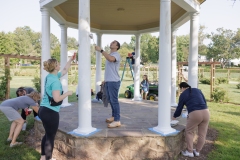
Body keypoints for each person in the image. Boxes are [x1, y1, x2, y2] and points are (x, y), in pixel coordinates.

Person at [39, 55, 74, 160]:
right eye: (58, 63)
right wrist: (67, 93)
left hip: (43, 110)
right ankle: (48, 159)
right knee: (50, 138)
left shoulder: (50, 76)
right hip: (50, 112)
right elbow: (57, 99)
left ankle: (43, 157)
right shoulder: (55, 81)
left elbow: (64, 70)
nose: (60, 65)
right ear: (55, 67)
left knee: (47, 134)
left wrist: (70, 60)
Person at [172, 82, 210, 157]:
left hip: (195, 113)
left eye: (180, 89)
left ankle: (189, 151)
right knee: (202, 134)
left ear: (182, 88)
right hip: (206, 112)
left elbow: (179, 107)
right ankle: (197, 151)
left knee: (189, 131)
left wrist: (174, 116)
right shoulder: (197, 90)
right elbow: (204, 102)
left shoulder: (183, 94)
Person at [95, 40, 121, 128]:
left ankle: (117, 120)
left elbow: (110, 59)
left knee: (114, 101)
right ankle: (114, 117)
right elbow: (110, 70)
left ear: (117, 47)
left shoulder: (116, 55)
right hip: (109, 81)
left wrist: (101, 50)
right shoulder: (110, 55)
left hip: (114, 82)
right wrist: (105, 80)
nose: (111, 43)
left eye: (114, 43)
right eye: (111, 42)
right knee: (111, 100)